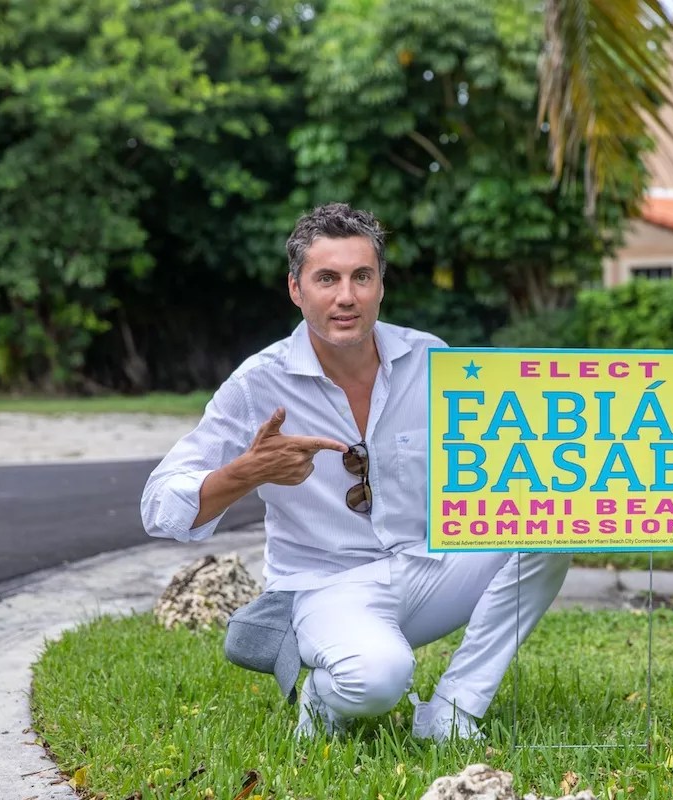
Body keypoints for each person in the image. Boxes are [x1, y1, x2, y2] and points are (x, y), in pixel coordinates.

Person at [141, 202, 571, 741]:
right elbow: (159, 506)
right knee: (377, 681)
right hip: (326, 587)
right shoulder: (259, 381)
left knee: (552, 526)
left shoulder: (430, 358)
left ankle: (453, 713)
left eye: (361, 277)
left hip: (429, 566)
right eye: (327, 279)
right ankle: (323, 694)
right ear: (297, 289)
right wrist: (247, 472)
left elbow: (499, 461)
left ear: (381, 285)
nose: (346, 296)